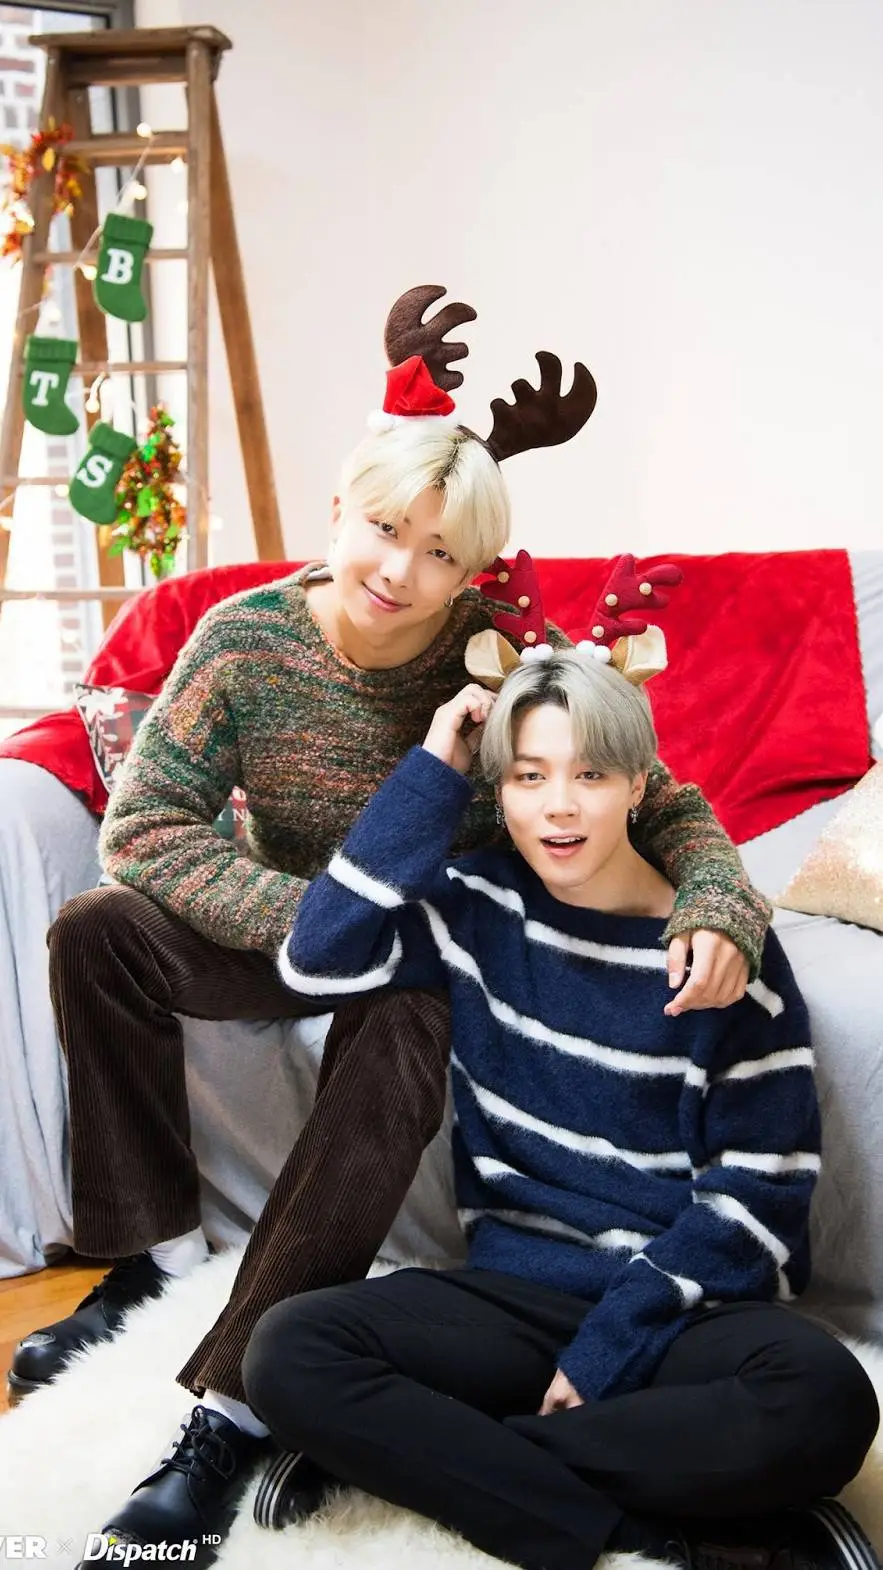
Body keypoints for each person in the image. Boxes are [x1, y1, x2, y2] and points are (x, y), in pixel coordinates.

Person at [14, 288, 771, 1558]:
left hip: (423, 951)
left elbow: (665, 798)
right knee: (95, 930)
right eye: (382, 530)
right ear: (339, 511)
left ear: (470, 571)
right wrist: (309, 915)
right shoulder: (243, 643)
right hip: (290, 925)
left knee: (408, 1016)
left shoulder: (499, 654)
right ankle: (149, 1257)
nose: (398, 573)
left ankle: (232, 1405)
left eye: (437, 555)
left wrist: (716, 901)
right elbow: (143, 826)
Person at [245, 647, 880, 1570]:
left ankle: (435, 1462)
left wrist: (607, 1349)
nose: (558, 807)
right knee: (289, 1352)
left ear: (637, 786)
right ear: (498, 791)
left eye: (589, 775)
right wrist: (433, 768)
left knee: (825, 1398)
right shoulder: (475, 906)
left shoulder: (719, 955)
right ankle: (655, 1542)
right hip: (511, 1296)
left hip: (673, 1310)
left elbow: (757, 1198)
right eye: (529, 777)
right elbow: (317, 957)